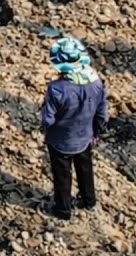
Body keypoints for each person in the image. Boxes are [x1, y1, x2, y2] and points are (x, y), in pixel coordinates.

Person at [40, 37, 108, 220]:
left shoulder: (56, 89)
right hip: (85, 137)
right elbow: (102, 114)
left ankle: (63, 209)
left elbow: (48, 118)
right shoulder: (96, 83)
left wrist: (45, 130)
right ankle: (89, 200)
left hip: (60, 140)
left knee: (62, 175)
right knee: (85, 168)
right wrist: (96, 131)